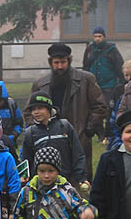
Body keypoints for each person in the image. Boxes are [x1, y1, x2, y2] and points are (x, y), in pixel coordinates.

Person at [29, 43, 107, 180]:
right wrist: (37, 130)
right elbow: (29, 112)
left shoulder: (86, 80)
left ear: (69, 61)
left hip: (79, 137)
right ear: (51, 63)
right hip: (48, 141)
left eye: (63, 62)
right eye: (56, 62)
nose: (60, 66)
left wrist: (89, 128)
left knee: (80, 182)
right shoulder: (40, 84)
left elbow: (99, 106)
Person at [20, 91, 88, 186]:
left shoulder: (65, 126)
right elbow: (26, 159)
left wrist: (81, 177)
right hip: (42, 184)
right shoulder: (30, 133)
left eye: (40, 108)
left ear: (48, 108)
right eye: (33, 109)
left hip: (66, 181)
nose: (36, 112)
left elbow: (78, 154)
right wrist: (25, 176)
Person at [82, 27, 125, 139]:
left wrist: (122, 81)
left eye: (99, 36)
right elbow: (85, 65)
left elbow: (118, 65)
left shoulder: (112, 50)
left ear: (104, 37)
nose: (97, 39)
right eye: (95, 36)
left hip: (109, 84)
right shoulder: (90, 49)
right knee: (95, 109)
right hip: (94, 84)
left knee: (108, 109)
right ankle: (99, 132)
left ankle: (108, 132)